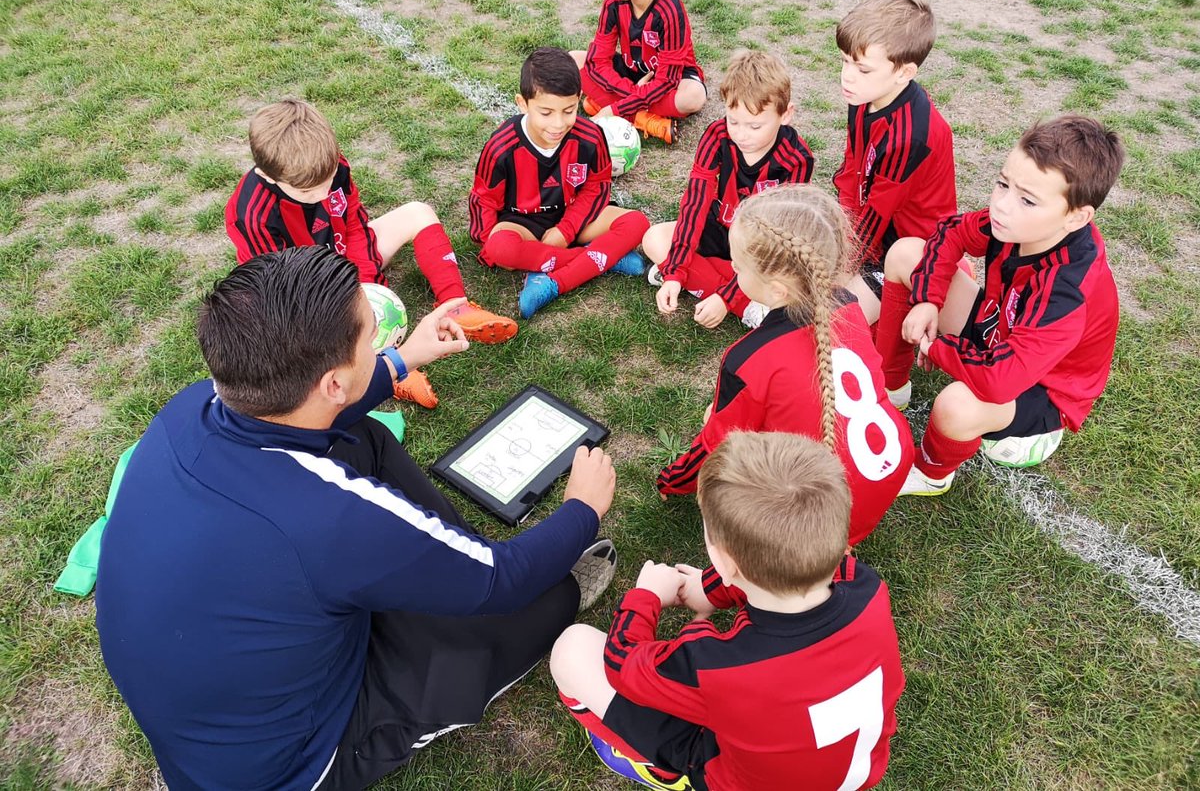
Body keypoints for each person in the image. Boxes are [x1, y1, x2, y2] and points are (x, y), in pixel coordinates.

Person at [95, 246, 618, 791]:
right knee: (524, 607)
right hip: (284, 766)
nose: (380, 344)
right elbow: (501, 578)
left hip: (208, 687)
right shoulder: (327, 517)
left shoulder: (192, 407)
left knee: (359, 435)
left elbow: (324, 411)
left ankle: (445, 556)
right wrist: (582, 509)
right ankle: (515, 596)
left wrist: (403, 360)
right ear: (332, 383)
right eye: (372, 339)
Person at [551, 431, 905, 790]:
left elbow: (623, 663)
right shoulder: (869, 590)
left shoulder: (719, 666)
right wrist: (710, 589)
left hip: (734, 780)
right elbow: (797, 566)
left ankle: (661, 771)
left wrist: (646, 595)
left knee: (572, 650)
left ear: (724, 560)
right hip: (850, 774)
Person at [875, 115, 1125, 495]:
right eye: (1003, 184)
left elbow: (1001, 379)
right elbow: (952, 233)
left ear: (1077, 217)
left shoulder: (1068, 290)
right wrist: (927, 300)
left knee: (956, 405)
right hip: (1001, 332)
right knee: (907, 254)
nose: (1002, 206)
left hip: (1040, 387)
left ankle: (931, 474)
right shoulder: (1016, 225)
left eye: (1027, 200)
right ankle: (891, 386)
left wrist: (938, 347)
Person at [657, 186, 913, 547]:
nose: (733, 269)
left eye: (738, 266)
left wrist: (671, 480)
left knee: (716, 420)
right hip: (886, 473)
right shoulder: (849, 305)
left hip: (819, 523)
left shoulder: (748, 360)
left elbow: (715, 443)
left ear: (778, 290)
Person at [225, 97, 517, 407]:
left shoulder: (331, 163)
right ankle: (387, 368)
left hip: (340, 255)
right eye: (309, 192)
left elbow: (354, 226)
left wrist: (371, 288)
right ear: (269, 176)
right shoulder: (253, 216)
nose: (323, 195)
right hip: (304, 287)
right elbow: (282, 294)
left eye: (327, 182)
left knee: (418, 213)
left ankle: (455, 306)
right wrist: (353, 304)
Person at [470, 47, 651, 318]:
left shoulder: (591, 137)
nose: (558, 124)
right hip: (523, 224)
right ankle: (601, 258)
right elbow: (483, 200)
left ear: (579, 98)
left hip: (575, 216)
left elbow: (597, 187)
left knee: (636, 222)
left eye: (568, 110)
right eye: (546, 113)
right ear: (523, 104)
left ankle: (553, 279)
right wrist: (489, 247)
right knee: (500, 247)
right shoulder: (501, 147)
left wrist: (565, 231)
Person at [642, 50, 815, 330]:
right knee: (654, 239)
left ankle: (707, 283)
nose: (741, 134)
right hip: (720, 229)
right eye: (733, 121)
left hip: (760, 244)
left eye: (755, 126)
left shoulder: (796, 159)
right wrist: (674, 273)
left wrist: (725, 298)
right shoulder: (717, 135)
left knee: (791, 277)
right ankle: (746, 305)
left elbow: (777, 238)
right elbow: (695, 204)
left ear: (786, 114)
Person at [832, 0, 957, 324]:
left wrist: (843, 264)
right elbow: (851, 172)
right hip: (870, 234)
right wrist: (840, 231)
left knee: (834, 323)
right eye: (844, 61)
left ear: (904, 72)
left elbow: (878, 213)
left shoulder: (911, 136)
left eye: (862, 69)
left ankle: (940, 284)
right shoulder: (864, 95)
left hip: (906, 249)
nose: (847, 76)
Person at [570, 0, 706, 145]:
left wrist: (614, 108)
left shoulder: (670, 10)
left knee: (694, 96)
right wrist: (633, 93)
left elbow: (666, 82)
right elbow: (598, 61)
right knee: (572, 61)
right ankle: (643, 119)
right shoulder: (613, 3)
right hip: (631, 75)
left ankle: (608, 107)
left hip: (669, 80)